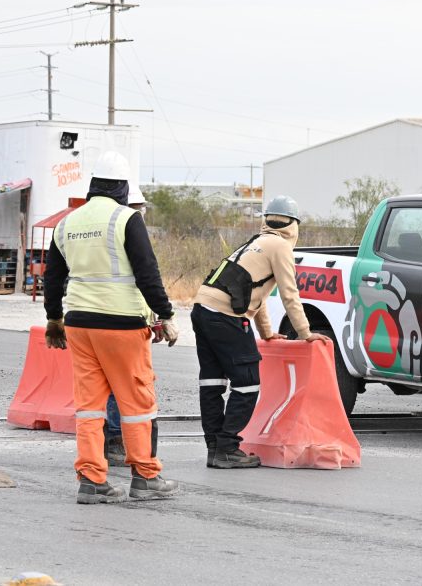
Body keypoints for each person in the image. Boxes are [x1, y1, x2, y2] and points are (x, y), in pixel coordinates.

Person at [43, 152, 181, 504]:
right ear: (122, 187)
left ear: (93, 186)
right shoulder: (126, 218)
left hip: (78, 324)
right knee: (137, 402)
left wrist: (54, 319)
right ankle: (145, 477)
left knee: (90, 406)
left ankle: (91, 481)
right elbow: (147, 272)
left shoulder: (67, 223)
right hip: (121, 325)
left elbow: (53, 277)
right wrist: (165, 314)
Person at [191, 194, 329, 469]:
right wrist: (305, 332)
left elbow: (255, 293)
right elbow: (290, 294)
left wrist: (266, 332)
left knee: (212, 383)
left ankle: (215, 448)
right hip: (226, 316)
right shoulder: (280, 247)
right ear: (294, 225)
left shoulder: (256, 242)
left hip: (202, 308)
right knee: (248, 382)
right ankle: (227, 448)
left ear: (267, 221)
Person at [103, 183, 149, 467]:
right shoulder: (125, 233)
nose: (140, 215)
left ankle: (112, 438)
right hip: (121, 320)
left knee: (112, 383)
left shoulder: (111, 233)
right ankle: (116, 438)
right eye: (137, 209)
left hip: (110, 316)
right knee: (121, 383)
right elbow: (144, 278)